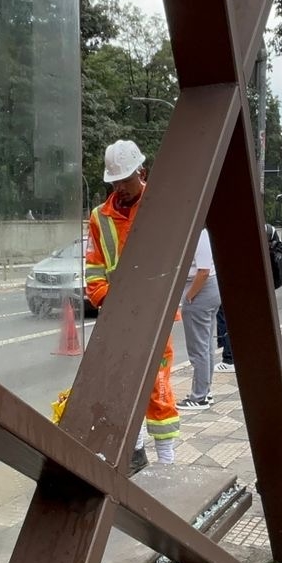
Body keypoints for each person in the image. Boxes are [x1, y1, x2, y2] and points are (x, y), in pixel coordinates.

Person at [86, 140, 181, 469]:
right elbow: (95, 267)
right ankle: (135, 451)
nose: (119, 187)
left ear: (142, 172)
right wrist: (104, 298)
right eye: (114, 182)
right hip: (119, 316)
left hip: (155, 313)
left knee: (157, 385)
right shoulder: (100, 217)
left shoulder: (161, 206)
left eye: (124, 180)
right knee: (123, 384)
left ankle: (167, 459)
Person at [177, 228, 220, 410]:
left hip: (201, 290)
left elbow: (203, 271)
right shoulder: (202, 233)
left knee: (198, 348)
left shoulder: (199, 234)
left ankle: (199, 396)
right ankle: (205, 391)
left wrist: (189, 298)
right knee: (207, 345)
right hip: (209, 289)